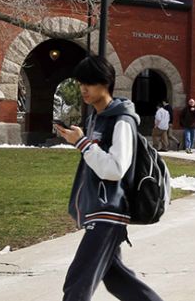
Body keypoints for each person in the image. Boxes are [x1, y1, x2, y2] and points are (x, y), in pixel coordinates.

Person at [55, 54, 164, 301]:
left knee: (77, 283)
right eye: (80, 83)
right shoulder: (96, 118)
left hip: (109, 212)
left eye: (89, 83)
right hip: (100, 210)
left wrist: (82, 143)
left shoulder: (121, 120)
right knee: (118, 280)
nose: (83, 89)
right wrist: (80, 140)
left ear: (105, 83)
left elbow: (116, 168)